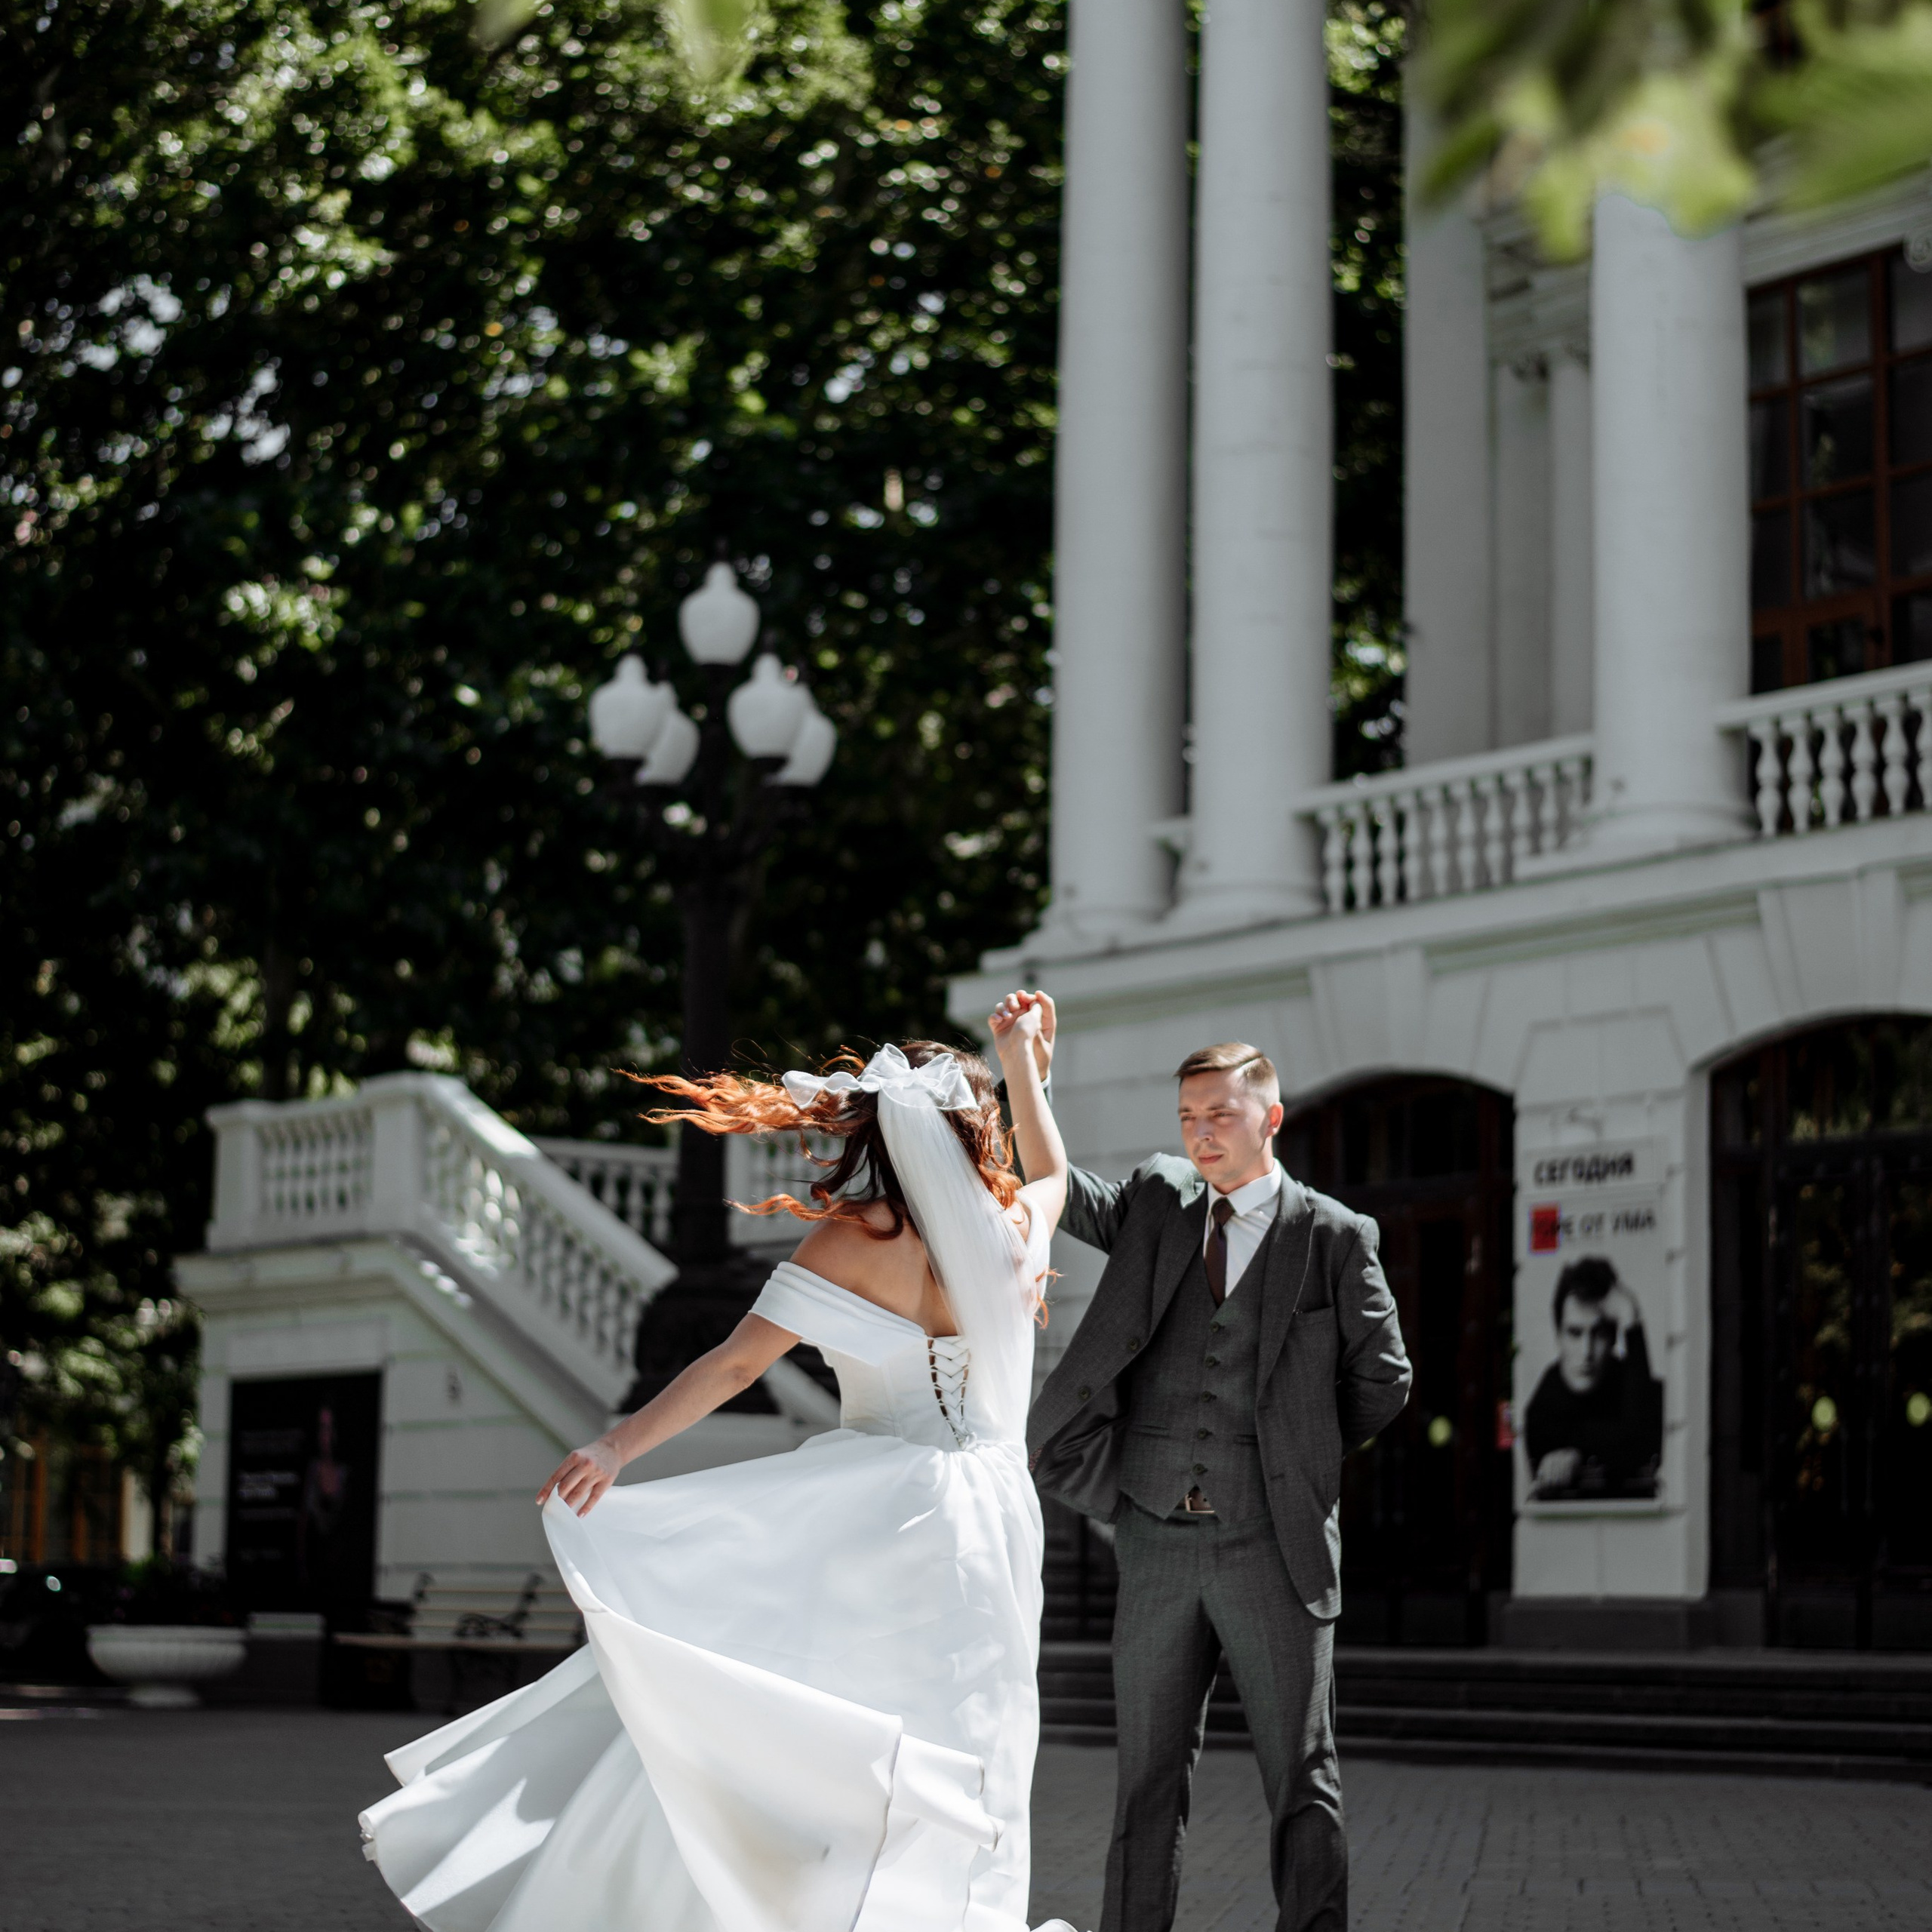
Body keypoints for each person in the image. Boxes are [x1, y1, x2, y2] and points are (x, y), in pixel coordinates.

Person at [358, 1021, 1078, 1932]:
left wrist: (617, 1446)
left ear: (883, 1131)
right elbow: (1053, 1173)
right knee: (972, 1732)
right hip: (991, 1519)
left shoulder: (851, 1241)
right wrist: (1028, 1070)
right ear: (979, 1134)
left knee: (807, 1717)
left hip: (875, 1517)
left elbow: (735, 1366)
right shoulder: (1017, 1227)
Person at [1005, 992, 1411, 1932]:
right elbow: (1052, 1178)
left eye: (1219, 1115)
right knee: (1144, 1779)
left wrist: (1294, 1457)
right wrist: (1025, 1063)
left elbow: (1382, 1381)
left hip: (1274, 1544)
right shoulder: (1157, 1203)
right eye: (1188, 1117)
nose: (1200, 1134)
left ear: (1271, 1117)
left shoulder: (1335, 1237)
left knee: (1300, 1777)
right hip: (1152, 1542)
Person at [1524, 1257, 1663, 1499]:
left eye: (1598, 1334)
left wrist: (1631, 1318)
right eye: (1575, 1334)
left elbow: (1642, 1442)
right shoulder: (1544, 1402)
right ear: (1558, 1337)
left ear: (1612, 1339)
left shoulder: (1634, 1383)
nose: (1587, 1352)